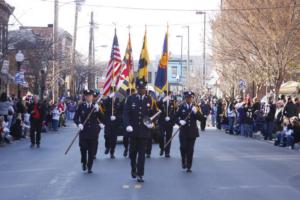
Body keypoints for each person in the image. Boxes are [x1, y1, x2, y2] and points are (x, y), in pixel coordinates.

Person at [123, 79, 157, 182]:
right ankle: (134, 168)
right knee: (133, 153)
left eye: (143, 88)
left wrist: (152, 123)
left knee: (142, 154)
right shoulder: (130, 99)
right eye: (140, 88)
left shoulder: (150, 100)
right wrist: (127, 125)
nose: (142, 90)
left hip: (144, 131)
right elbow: (126, 114)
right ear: (137, 88)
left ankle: (140, 173)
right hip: (133, 131)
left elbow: (155, 114)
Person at [73, 89, 104, 174]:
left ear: (92, 97)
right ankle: (83, 161)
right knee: (83, 148)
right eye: (87, 96)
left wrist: (99, 111)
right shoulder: (81, 106)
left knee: (91, 150)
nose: (88, 97)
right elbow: (75, 118)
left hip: (93, 132)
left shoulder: (95, 106)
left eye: (90, 96)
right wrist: (79, 124)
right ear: (85, 97)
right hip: (83, 131)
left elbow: (102, 118)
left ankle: (89, 166)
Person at [175, 91, 204, 173]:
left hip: (192, 132)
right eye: (188, 98)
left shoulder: (196, 107)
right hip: (183, 132)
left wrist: (196, 112)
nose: (189, 99)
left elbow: (202, 119)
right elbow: (175, 117)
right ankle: (183, 160)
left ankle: (189, 166)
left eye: (190, 98)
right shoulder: (181, 107)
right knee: (183, 147)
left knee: (190, 150)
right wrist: (179, 121)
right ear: (185, 98)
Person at [101, 87, 124, 159]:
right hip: (108, 120)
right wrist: (108, 98)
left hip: (115, 122)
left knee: (114, 138)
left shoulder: (119, 99)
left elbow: (121, 110)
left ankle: (112, 152)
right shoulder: (107, 99)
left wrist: (117, 118)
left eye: (114, 91)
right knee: (107, 135)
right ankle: (107, 147)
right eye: (111, 91)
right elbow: (103, 105)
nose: (113, 92)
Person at [157, 91, 177, 157]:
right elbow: (158, 104)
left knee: (169, 137)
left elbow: (175, 112)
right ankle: (162, 147)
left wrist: (171, 119)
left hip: (169, 122)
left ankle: (167, 152)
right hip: (162, 121)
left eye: (169, 94)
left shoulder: (173, 102)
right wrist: (163, 100)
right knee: (160, 136)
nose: (168, 95)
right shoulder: (161, 101)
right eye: (166, 94)